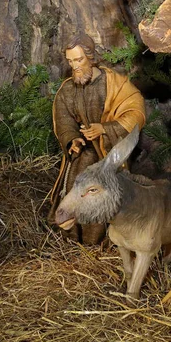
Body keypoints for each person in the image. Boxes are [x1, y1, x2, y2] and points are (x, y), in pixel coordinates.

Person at [48, 34, 146, 244]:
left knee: (100, 185)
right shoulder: (68, 89)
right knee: (78, 174)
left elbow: (135, 112)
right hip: (84, 151)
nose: (75, 66)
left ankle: (99, 238)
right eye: (70, 61)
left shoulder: (115, 84)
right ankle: (72, 236)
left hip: (108, 152)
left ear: (91, 58)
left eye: (79, 60)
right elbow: (63, 118)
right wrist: (72, 139)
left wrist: (104, 129)